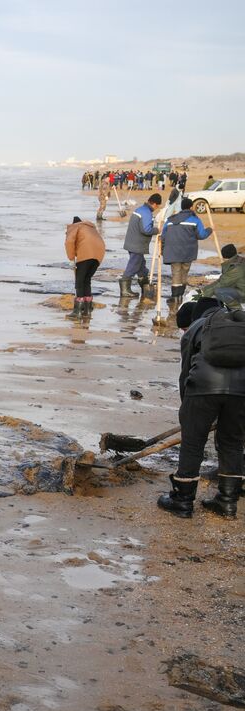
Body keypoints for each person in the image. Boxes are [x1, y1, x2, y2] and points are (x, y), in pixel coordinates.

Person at [157, 299, 245, 518]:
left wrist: (186, 410)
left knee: (193, 443)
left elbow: (185, 373)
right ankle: (227, 503)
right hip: (242, 391)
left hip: (203, 388)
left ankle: (182, 501)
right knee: (232, 443)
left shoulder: (196, 327)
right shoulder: (240, 327)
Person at [161, 198, 213, 309]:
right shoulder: (195, 220)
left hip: (173, 252)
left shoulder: (170, 220)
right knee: (184, 273)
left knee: (176, 273)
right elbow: (201, 235)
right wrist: (210, 230)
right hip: (188, 252)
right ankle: (180, 297)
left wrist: (162, 250)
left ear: (181, 207)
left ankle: (175, 299)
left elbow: (163, 236)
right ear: (190, 207)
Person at [120, 193, 162, 298]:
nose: (157, 208)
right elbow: (146, 230)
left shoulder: (140, 209)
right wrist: (157, 230)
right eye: (158, 206)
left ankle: (145, 287)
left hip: (132, 242)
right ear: (155, 204)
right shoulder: (146, 213)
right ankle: (125, 290)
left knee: (141, 266)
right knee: (133, 265)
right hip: (137, 244)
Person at [65, 217, 105, 319]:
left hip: (86, 254)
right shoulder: (90, 227)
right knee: (86, 280)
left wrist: (71, 257)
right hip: (98, 254)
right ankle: (87, 310)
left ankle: (77, 311)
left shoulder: (75, 227)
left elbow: (69, 242)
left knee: (79, 281)